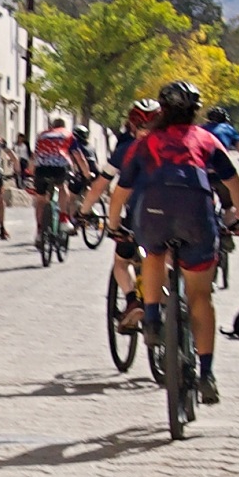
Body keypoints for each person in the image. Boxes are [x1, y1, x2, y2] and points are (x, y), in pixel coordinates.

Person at [110, 81, 239, 401]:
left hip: (153, 213)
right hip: (196, 215)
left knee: (153, 252)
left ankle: (150, 319)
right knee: (200, 295)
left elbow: (121, 190)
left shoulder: (144, 144)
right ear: (195, 110)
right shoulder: (206, 139)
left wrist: (114, 224)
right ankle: (206, 374)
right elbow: (234, 184)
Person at [88, 98, 161, 330]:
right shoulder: (176, 146)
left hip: (139, 216)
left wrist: (85, 211)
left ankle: (132, 300)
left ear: (132, 125)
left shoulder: (127, 150)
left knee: (121, 262)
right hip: (178, 216)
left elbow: (101, 185)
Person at [28, 117, 78, 243]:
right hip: (59, 168)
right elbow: (79, 157)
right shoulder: (68, 135)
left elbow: (35, 155)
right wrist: (87, 174)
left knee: (40, 199)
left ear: (52, 127)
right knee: (62, 187)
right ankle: (64, 219)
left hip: (41, 169)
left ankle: (39, 231)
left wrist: (29, 172)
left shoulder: (42, 136)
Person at [203, 106, 239, 189]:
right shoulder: (228, 130)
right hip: (221, 173)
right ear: (225, 121)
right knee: (238, 192)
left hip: (201, 173)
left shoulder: (199, 129)